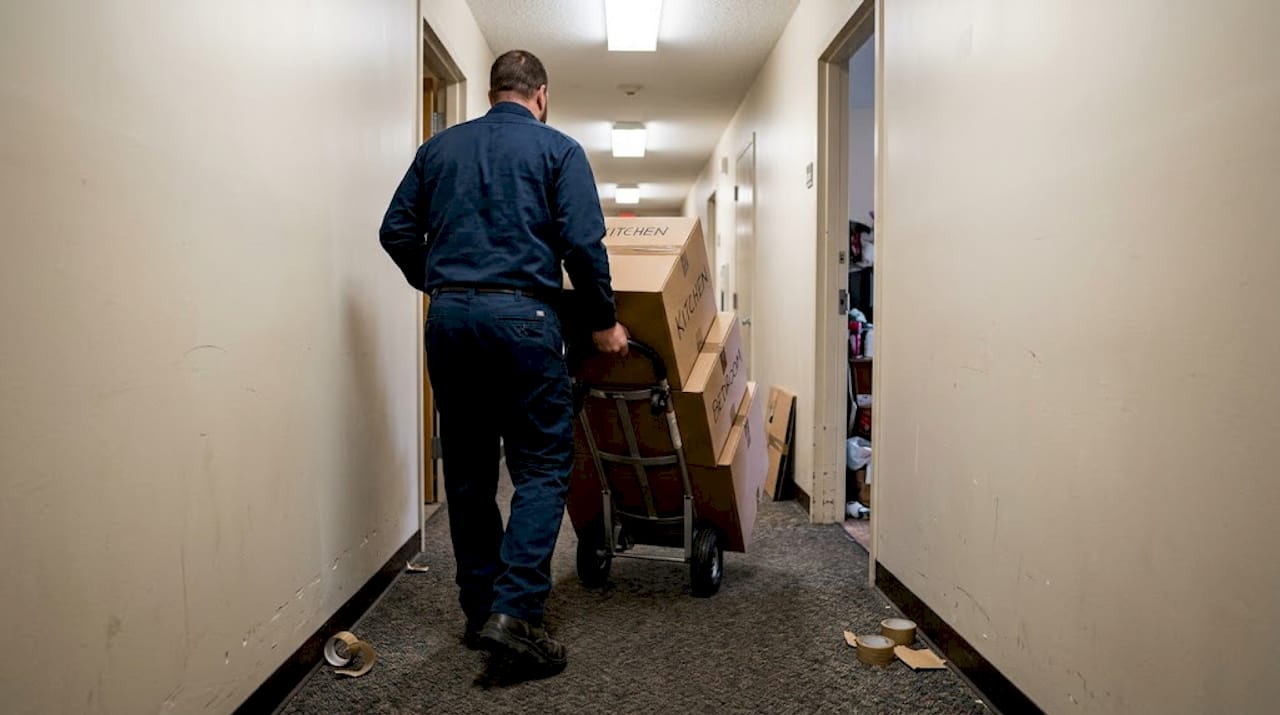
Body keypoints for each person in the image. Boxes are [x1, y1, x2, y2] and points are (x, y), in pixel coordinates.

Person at [379, 49, 628, 679]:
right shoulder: (558, 149)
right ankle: (515, 615)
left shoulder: (439, 150)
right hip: (526, 320)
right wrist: (601, 322)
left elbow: (396, 231)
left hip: (451, 322)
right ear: (540, 95)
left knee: (466, 470)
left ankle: (479, 609)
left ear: (492, 93)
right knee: (542, 468)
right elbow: (581, 241)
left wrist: (443, 285)